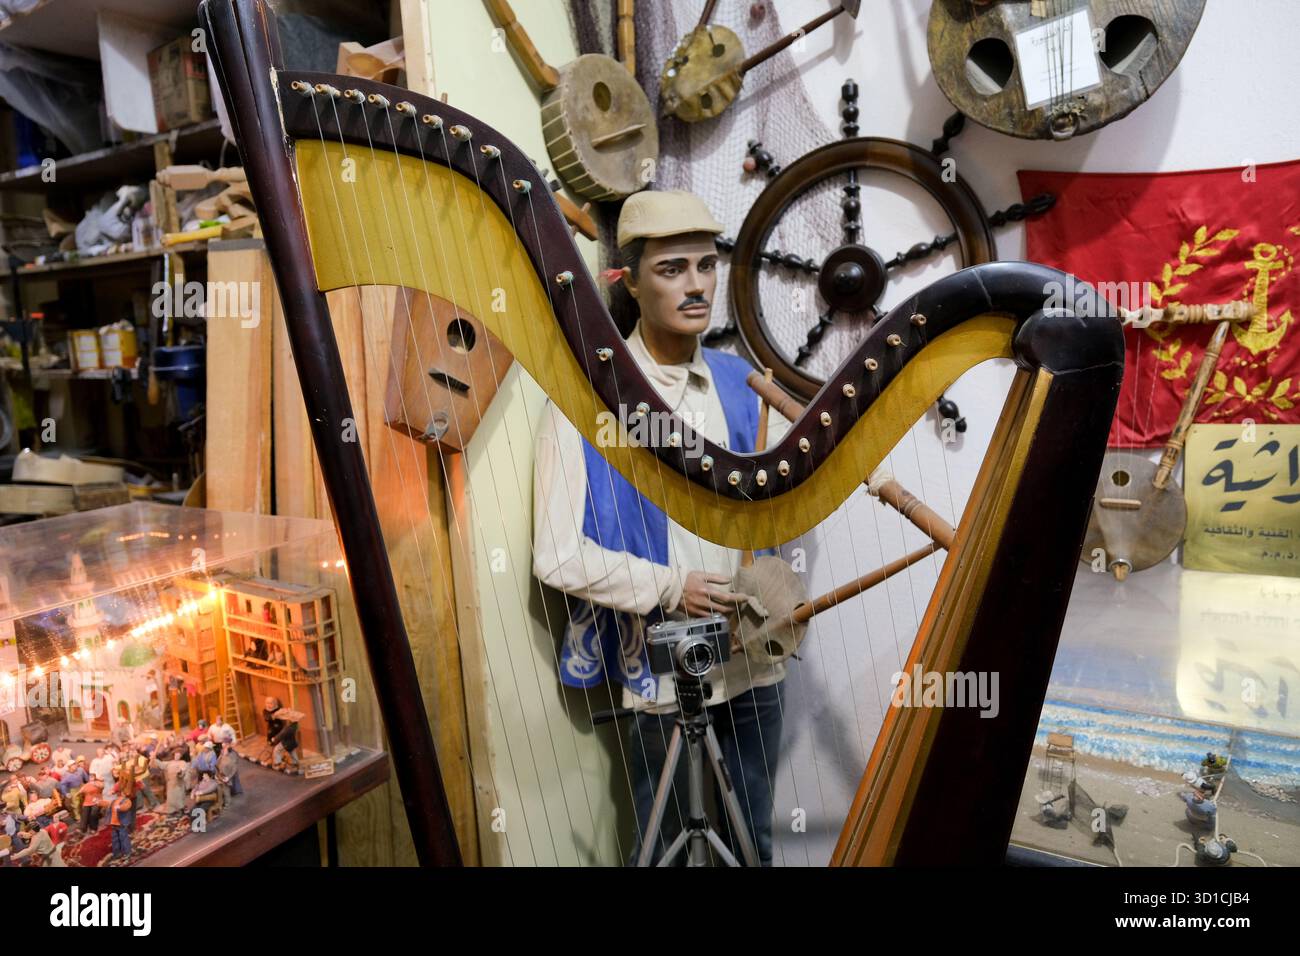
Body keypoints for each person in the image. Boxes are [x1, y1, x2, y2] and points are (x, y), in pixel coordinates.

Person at [531, 190, 788, 865]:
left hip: (756, 665)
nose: (697, 285)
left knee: (755, 848)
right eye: (672, 269)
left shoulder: (743, 383)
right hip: (665, 669)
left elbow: (781, 510)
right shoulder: (585, 399)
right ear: (628, 281)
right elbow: (555, 555)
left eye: (706, 266)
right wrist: (672, 586)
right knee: (663, 847)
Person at [107, 793, 134, 860]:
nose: (119, 794)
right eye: (118, 793)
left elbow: (126, 807)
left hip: (121, 823)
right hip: (114, 823)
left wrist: (119, 807)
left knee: (123, 837)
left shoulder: (127, 801)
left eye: (121, 792)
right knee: (115, 839)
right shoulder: (114, 801)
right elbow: (107, 804)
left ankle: (127, 852)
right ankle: (117, 853)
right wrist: (99, 802)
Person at [216, 742, 243, 806]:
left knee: (232, 783)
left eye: (224, 748)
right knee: (224, 787)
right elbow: (218, 762)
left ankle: (235, 793)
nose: (222, 750)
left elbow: (234, 767)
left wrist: (228, 777)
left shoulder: (232, 755)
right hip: (223, 774)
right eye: (223, 748)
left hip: (229, 773)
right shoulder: (223, 754)